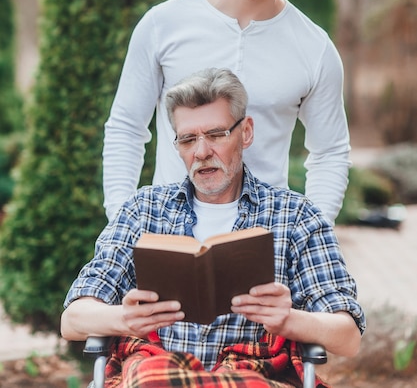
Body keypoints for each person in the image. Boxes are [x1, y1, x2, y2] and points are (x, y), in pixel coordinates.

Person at [62, 68, 365, 388]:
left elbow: (348, 337)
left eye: (217, 134)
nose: (202, 152)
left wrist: (289, 320)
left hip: (252, 374)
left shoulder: (296, 216)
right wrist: (123, 318)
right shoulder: (143, 211)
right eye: (188, 139)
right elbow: (72, 319)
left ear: (246, 132)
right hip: (158, 373)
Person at [103, 0, 351, 224]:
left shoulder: (314, 49)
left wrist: (309, 236)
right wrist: (123, 227)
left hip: (264, 248)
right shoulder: (162, 25)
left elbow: (330, 153)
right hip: (171, 242)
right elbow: (126, 128)